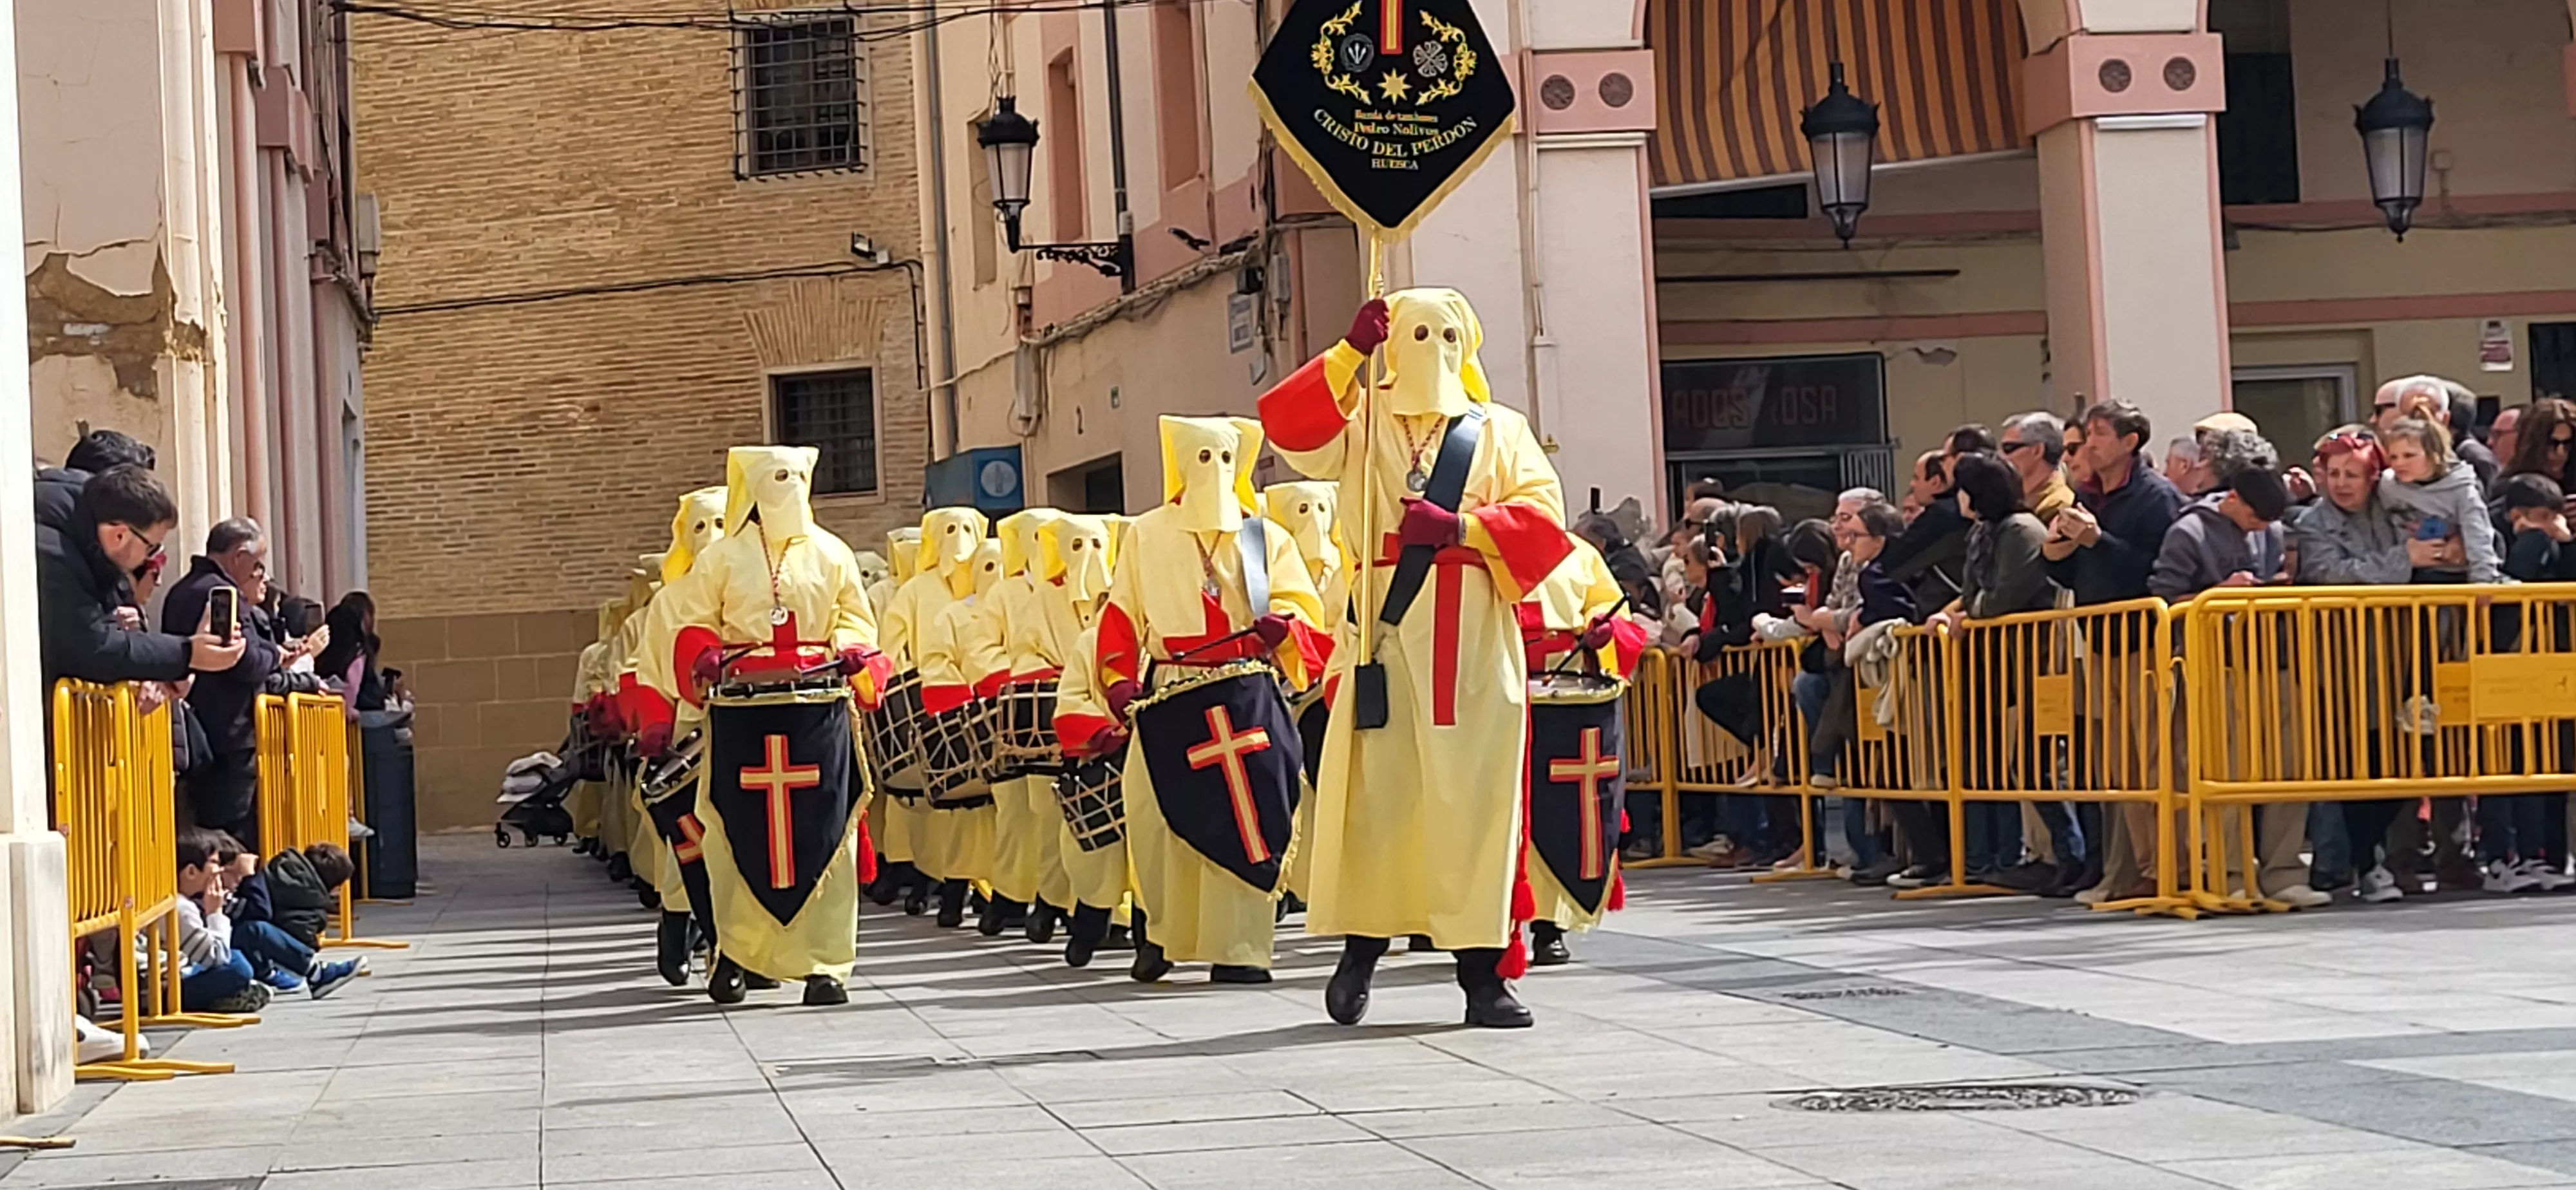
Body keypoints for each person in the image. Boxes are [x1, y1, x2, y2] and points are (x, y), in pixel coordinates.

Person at [1260, 289, 1572, 1028]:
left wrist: (1464, 526)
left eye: (1443, 332)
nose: (1428, 344)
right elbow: (1289, 430)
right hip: (1384, 638)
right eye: (1412, 331)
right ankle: (1360, 952)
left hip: (1471, 639)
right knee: (1380, 806)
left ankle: (1482, 978)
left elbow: (1544, 520)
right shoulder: (1362, 420)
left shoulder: (1500, 430)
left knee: (1476, 808)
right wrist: (1345, 353)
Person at [632, 446, 891, 1007]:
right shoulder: (722, 558)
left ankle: (826, 965)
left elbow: (854, 618)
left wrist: (851, 651)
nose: (790, 486)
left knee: (827, 838)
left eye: (798, 476)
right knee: (733, 835)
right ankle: (736, 956)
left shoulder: (832, 552)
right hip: (741, 714)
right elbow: (696, 622)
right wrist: (702, 655)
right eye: (778, 478)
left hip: (818, 711)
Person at [1094, 416, 1325, 987]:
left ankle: (1241, 948)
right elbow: (1120, 616)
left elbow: (1307, 612)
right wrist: (1119, 678)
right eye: (1200, 457)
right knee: (1157, 820)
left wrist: (1286, 630)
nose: (1211, 470)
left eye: (1222, 458)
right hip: (1172, 692)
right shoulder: (1145, 533)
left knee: (1252, 816)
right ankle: (1161, 932)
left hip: (1246, 690)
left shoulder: (1265, 537)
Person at [2042, 401, 2184, 904]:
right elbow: (2075, 575)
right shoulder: (2086, 495)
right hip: (2101, 642)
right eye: (2088, 435)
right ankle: (2138, 867)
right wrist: (2056, 552)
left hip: (2145, 641)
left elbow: (2155, 571)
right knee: (2120, 766)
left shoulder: (2155, 498)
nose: (2091, 444)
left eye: (2101, 434)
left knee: (2153, 762)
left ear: (2130, 442)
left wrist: (2099, 541)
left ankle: (2169, 865)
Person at [2289, 430, 2414, 903]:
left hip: (2401, 652)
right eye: (2333, 473)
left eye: (2352, 475)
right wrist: (2405, 560)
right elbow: (2330, 573)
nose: (2341, 484)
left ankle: (2371, 857)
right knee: (2356, 763)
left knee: (2410, 760)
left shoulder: (2393, 508)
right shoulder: (2312, 521)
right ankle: (2365, 863)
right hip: (2341, 662)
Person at [1518, 536, 1648, 966]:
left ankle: (1549, 925)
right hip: (1496, 691)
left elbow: (1616, 612)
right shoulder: (1475, 548)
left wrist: (1603, 632)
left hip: (1568, 702)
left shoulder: (1579, 553)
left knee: (1562, 815)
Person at [878, 508, 990, 925]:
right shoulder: (915, 591)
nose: (957, 538)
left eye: (966, 529)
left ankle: (982, 890)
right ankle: (944, 886)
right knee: (949, 804)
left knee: (986, 808)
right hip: (933, 707)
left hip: (985, 702)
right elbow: (890, 648)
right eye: (948, 529)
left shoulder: (989, 581)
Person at [37, 464, 243, 688]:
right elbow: (91, 648)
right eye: (151, 548)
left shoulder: (85, 521)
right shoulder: (53, 552)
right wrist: (188, 653)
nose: (149, 560)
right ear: (120, 535)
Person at [1039, 514, 1132, 967]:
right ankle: (1091, 925)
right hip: (1102, 759)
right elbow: (1071, 696)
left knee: (1153, 854)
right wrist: (1102, 731)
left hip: (1149, 758)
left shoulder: (1155, 640)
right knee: (1097, 853)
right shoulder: (1089, 642)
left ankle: (1150, 940)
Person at [978, 509, 1076, 940]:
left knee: (1065, 812)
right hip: (1022, 714)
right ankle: (1011, 897)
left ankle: (1059, 901)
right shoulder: (1004, 593)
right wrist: (1021, 677)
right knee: (1021, 815)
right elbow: (982, 649)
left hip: (1075, 707)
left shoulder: (1081, 583)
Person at [158, 519, 287, 844]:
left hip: (195, 731)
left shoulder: (181, 591)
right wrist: (275, 655)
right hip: (230, 733)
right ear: (239, 556)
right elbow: (245, 660)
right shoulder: (224, 594)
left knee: (202, 833)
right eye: (257, 563)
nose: (259, 572)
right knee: (234, 837)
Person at [2482, 473, 2576, 894]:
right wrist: (2533, 540)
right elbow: (2512, 584)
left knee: (2553, 760)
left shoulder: (2558, 540)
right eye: (2543, 518)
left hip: (2550, 666)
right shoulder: (2497, 537)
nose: (2551, 526)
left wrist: (2566, 542)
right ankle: (2503, 858)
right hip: (2503, 665)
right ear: (2518, 516)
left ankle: (2550, 856)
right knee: (2506, 765)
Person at [216, 839, 364, 997]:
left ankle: (268, 974)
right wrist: (252, 877)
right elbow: (258, 912)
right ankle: (315, 973)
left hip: (222, 943)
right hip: (215, 947)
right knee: (255, 930)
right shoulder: (213, 889)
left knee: (252, 934)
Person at [2379, 417, 2501, 584]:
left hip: (2455, 573)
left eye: (2409, 456)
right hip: (2407, 574)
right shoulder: (2387, 486)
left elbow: (2478, 532)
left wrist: (2482, 579)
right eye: (2393, 457)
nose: (2399, 463)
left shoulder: (2461, 488)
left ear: (2433, 455)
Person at [174, 829, 269, 1013]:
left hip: (173, 977)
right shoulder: (181, 908)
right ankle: (216, 1000)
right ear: (192, 871)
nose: (220, 870)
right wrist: (215, 912)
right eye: (215, 863)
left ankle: (225, 998)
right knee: (239, 968)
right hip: (163, 992)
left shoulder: (180, 902)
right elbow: (218, 957)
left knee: (237, 958)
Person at [2000, 412, 2076, 522]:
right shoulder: (2018, 499)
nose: (2002, 457)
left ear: (2037, 451)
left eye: (2009, 448)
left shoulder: (2060, 506)